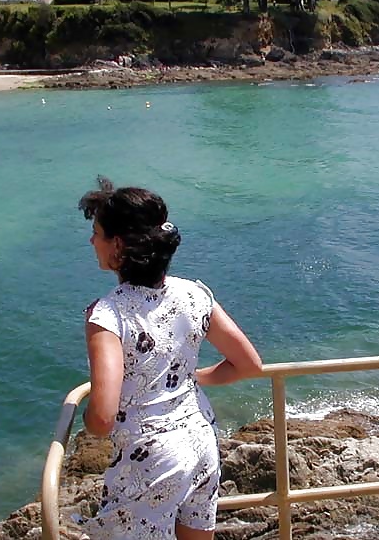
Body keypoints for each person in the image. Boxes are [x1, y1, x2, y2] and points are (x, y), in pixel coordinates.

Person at [78, 176, 263, 540]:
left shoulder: (108, 315)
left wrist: (80, 412)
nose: (91, 240)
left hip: (151, 460)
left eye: (97, 232)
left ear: (118, 246)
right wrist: (193, 379)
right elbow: (248, 364)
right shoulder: (194, 294)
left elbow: (101, 418)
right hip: (200, 441)